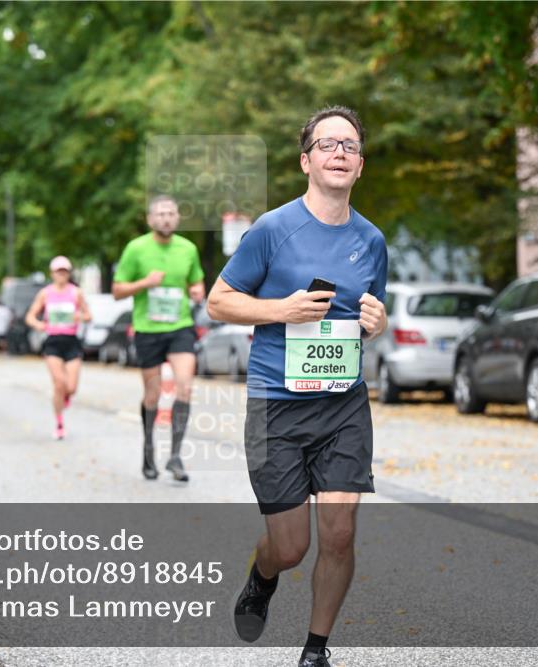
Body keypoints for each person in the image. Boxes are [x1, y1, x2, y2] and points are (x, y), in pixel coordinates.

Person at [206, 106, 388, 667]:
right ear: (306, 160)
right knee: (291, 547)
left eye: (350, 147)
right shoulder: (272, 230)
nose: (340, 153)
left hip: (343, 406)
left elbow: (367, 317)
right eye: (328, 144)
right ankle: (262, 577)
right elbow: (218, 301)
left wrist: (376, 325)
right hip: (276, 406)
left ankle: (316, 650)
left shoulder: (372, 241)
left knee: (338, 533)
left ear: (359, 167)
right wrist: (280, 309)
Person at [112, 195, 205, 482]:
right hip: (148, 330)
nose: (166, 218)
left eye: (171, 214)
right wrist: (144, 283)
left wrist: (197, 291)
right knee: (152, 395)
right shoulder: (136, 249)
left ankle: (175, 456)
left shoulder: (188, 249)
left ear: (177, 218)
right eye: (160, 214)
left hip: (180, 327)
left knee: (184, 388)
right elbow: (117, 290)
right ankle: (149, 447)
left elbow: (196, 280)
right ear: (151, 219)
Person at [24, 256, 92, 440]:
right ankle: (59, 422)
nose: (62, 275)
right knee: (59, 383)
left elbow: (88, 315)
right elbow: (30, 316)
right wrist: (38, 325)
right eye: (58, 271)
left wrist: (80, 316)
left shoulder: (76, 293)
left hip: (71, 341)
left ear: (68, 273)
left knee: (71, 387)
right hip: (53, 341)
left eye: (65, 271)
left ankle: (65, 397)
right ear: (52, 273)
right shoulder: (45, 294)